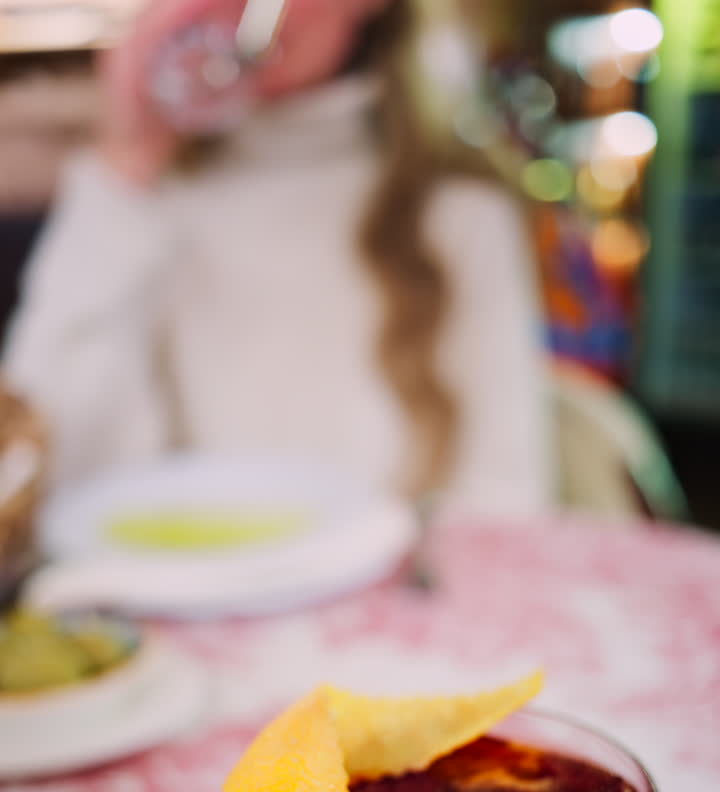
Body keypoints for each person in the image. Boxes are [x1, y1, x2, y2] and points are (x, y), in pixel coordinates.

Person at [1, 0, 551, 512]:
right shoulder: (147, 204)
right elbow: (46, 473)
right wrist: (124, 171)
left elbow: (503, 496)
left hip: (394, 605)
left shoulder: (459, 213)